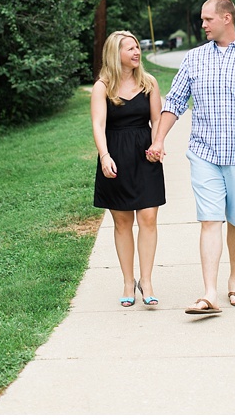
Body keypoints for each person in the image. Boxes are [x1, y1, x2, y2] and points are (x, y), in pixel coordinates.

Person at [147, 0, 235, 315]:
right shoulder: (194, 59)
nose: (203, 24)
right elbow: (174, 102)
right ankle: (209, 293)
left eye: (208, 19)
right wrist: (159, 139)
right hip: (204, 153)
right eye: (202, 19)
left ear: (226, 18)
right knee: (210, 220)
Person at [91, 30, 166, 307]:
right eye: (130, 48)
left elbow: (157, 119)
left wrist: (157, 144)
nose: (137, 52)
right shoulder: (103, 86)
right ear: (116, 53)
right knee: (122, 223)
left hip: (145, 156)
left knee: (148, 218)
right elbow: (98, 124)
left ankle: (146, 281)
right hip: (116, 156)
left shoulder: (149, 82)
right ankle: (127, 281)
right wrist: (104, 156)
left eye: (137, 47)